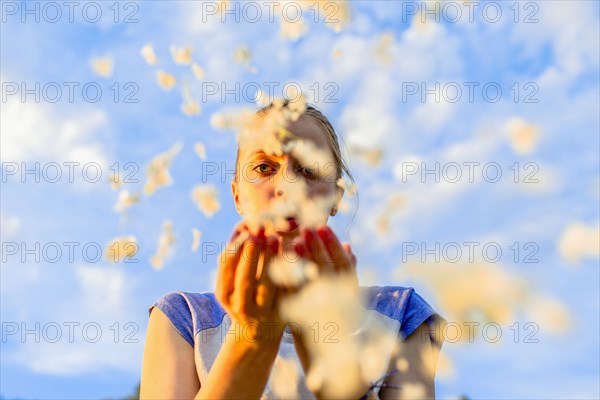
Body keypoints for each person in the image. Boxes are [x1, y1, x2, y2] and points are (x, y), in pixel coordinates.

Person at [140, 99, 445, 399]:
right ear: (237, 196)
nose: (289, 187)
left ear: (335, 198)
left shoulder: (399, 314)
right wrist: (252, 339)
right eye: (263, 167)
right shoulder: (183, 320)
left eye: (309, 169)